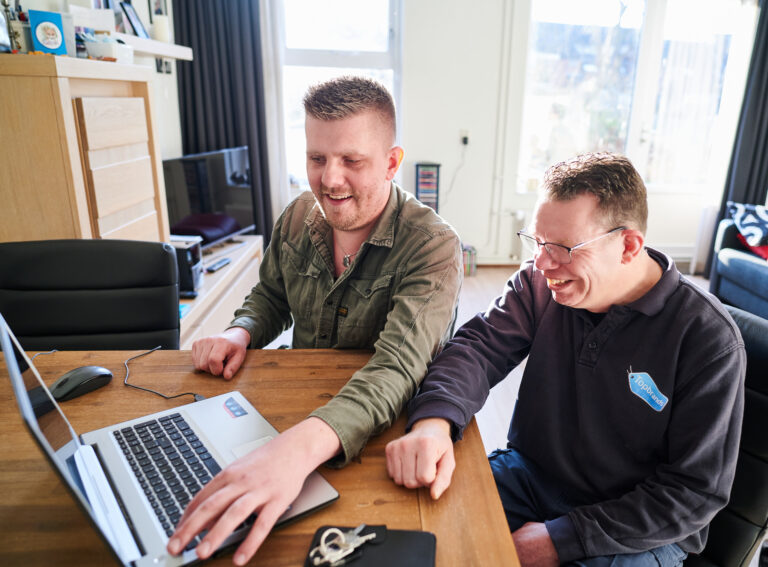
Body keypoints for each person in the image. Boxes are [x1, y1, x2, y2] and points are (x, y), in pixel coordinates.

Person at [385, 153, 745, 567]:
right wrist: (434, 423)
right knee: (415, 528)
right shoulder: (540, 284)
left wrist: (562, 538)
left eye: (562, 247)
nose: (542, 263)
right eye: (537, 241)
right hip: (533, 476)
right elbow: (477, 348)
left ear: (628, 245)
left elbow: (693, 493)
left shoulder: (708, 339)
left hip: (639, 528)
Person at [166, 76, 462, 565]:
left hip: (373, 431)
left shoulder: (433, 245)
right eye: (317, 159)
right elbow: (270, 295)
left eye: (352, 160)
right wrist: (239, 331)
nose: (330, 180)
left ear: (391, 162)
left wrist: (294, 452)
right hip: (291, 406)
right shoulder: (298, 215)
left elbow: (397, 368)